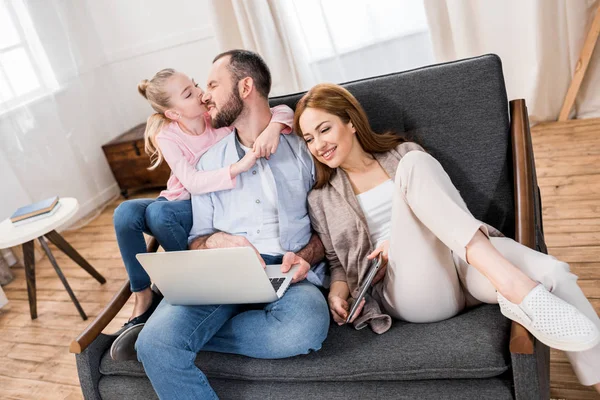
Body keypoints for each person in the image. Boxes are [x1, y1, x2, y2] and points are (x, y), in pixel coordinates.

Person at [295, 83, 600, 392]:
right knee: (412, 170)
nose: (318, 144)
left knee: (554, 274)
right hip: (413, 288)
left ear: (350, 122)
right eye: (309, 139)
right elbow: (336, 262)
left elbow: (450, 212)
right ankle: (513, 284)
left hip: (463, 260)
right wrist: (337, 293)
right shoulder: (321, 199)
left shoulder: (403, 153)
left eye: (324, 129)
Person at [135, 50, 330, 399]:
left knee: (304, 329)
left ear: (245, 87)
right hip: (221, 273)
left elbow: (330, 227)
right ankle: (166, 335)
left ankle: (190, 336)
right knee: (155, 345)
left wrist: (307, 255)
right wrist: (217, 242)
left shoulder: (304, 149)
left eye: (212, 84)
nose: (204, 94)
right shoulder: (208, 165)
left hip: (289, 273)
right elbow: (196, 241)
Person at [112, 68, 294, 334]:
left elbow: (282, 110)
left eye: (195, 85)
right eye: (189, 94)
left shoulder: (216, 118)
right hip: (180, 200)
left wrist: (274, 129)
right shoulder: (168, 136)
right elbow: (192, 183)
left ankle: (186, 283)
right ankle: (143, 295)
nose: (199, 93)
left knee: (160, 215)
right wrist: (237, 168)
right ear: (174, 113)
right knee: (125, 213)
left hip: (199, 206)